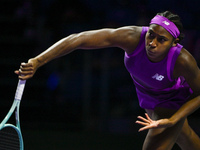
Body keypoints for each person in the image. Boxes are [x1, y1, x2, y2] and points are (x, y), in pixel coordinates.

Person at [15, 11, 200, 150]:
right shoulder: (132, 37)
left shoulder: (183, 61)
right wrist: (38, 60)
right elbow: (78, 39)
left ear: (174, 43)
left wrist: (174, 118)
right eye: (151, 34)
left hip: (170, 102)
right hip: (147, 97)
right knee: (186, 137)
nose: (152, 43)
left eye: (162, 40)